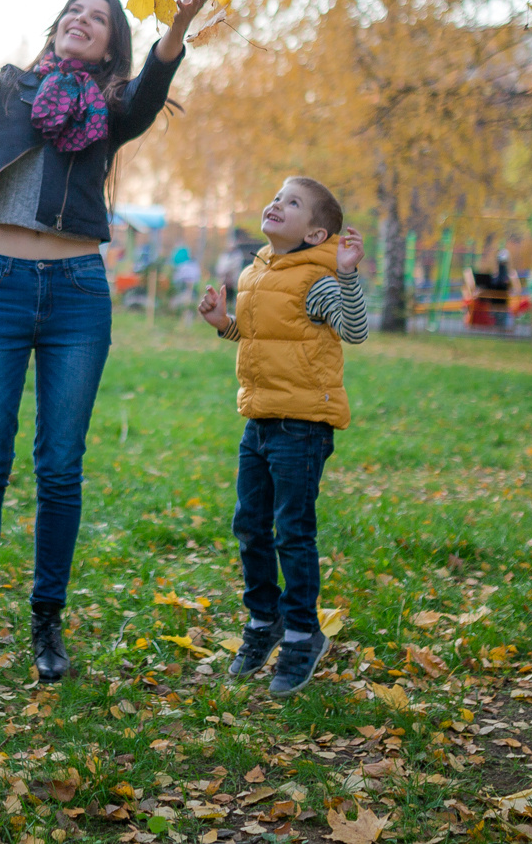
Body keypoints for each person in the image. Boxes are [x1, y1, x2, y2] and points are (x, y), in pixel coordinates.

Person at [0, 0, 211, 681]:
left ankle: (47, 626)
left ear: (109, 47)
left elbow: (156, 80)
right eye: (74, 10)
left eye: (97, 18)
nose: (81, 20)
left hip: (76, 293)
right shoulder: (12, 90)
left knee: (60, 466)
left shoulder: (113, 111)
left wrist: (180, 23)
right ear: (57, 28)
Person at [197, 177, 369, 695]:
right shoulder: (256, 272)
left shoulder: (318, 280)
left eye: (292, 203)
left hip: (302, 425)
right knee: (250, 525)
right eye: (276, 196)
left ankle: (301, 633)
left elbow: (355, 331)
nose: (276, 203)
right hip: (260, 419)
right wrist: (223, 322)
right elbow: (260, 337)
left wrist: (348, 277)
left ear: (317, 234)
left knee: (292, 531)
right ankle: (262, 620)